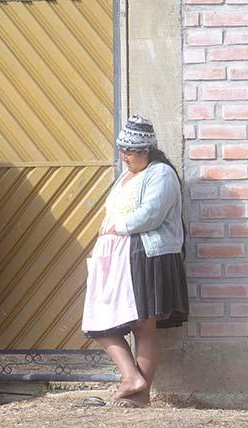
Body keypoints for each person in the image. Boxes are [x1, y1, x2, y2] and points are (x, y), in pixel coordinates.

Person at [81, 115, 189, 408]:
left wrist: (118, 228)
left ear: (148, 151)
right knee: (101, 321)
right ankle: (132, 378)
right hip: (118, 259)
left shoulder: (161, 174)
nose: (124, 156)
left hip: (148, 256)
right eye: (122, 150)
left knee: (144, 327)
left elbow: (151, 215)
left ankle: (139, 394)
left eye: (131, 151)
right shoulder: (125, 177)